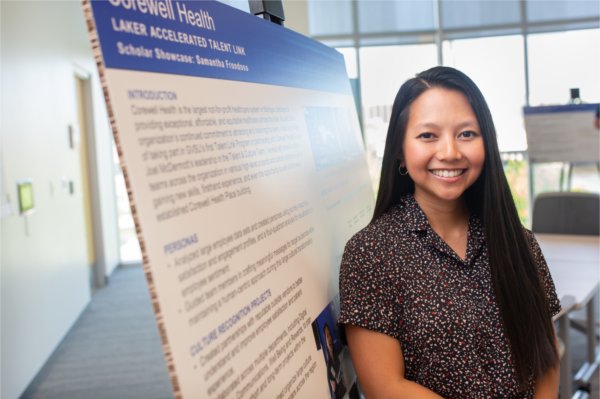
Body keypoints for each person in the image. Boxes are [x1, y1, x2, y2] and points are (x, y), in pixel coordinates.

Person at [338, 66, 561, 398]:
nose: (450, 152)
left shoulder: (519, 242)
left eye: (466, 134)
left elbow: (545, 358)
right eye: (428, 135)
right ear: (400, 148)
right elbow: (385, 387)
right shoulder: (371, 252)